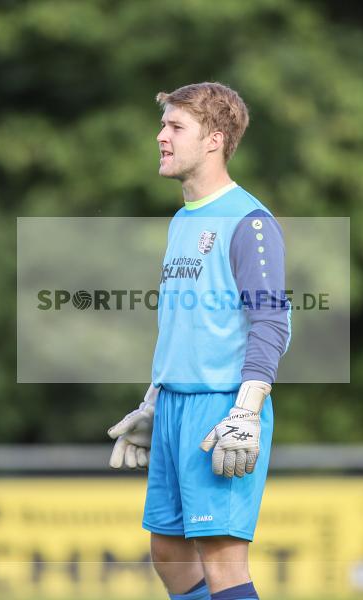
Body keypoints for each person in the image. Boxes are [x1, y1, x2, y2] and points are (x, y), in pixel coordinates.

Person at [108, 82, 291, 600]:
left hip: (221, 409)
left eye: (175, 127)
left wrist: (247, 410)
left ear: (214, 139)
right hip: (174, 406)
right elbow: (183, 325)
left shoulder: (249, 221)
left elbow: (272, 322)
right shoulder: (182, 221)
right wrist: (154, 400)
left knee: (222, 561)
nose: (160, 136)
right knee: (168, 556)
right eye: (163, 125)